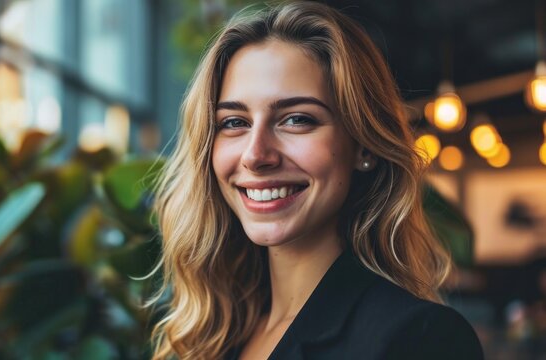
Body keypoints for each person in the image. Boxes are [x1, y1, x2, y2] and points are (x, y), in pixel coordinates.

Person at [149, 2, 484, 359]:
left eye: (296, 119)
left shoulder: (420, 338)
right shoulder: (211, 333)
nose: (255, 155)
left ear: (363, 146)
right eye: (234, 122)